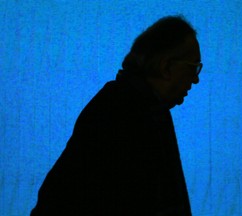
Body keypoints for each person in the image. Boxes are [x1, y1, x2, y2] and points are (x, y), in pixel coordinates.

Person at [31, 15, 202, 216]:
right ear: (166, 67)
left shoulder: (148, 108)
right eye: (193, 68)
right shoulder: (121, 114)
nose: (196, 79)